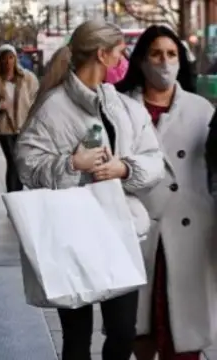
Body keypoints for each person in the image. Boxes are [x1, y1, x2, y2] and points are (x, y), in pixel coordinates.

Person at [15, 20, 165, 360]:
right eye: (119, 53)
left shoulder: (124, 107)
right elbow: (26, 166)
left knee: (123, 333)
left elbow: (155, 160)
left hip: (120, 232)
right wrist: (72, 164)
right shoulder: (52, 109)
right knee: (77, 338)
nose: (124, 60)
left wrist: (124, 168)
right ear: (103, 55)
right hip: (72, 237)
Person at [114, 25, 217, 360]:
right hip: (137, 229)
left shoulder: (201, 109)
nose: (165, 61)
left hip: (191, 231)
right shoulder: (118, 108)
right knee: (139, 329)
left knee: (184, 333)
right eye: (156, 54)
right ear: (141, 59)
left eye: (172, 54)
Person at [0, 44, 39, 192]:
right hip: (5, 128)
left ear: (15, 58)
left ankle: (18, 197)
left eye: (11, 57)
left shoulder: (27, 78)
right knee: (12, 161)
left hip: (24, 126)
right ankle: (13, 196)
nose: (8, 62)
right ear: (0, 60)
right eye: (4, 59)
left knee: (20, 163)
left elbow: (36, 98)